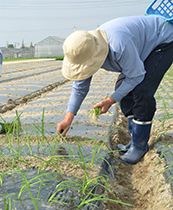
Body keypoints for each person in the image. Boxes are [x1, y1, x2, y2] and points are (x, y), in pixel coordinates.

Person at [56, 15, 173, 164]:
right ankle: (134, 139)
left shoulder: (119, 45)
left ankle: (140, 145)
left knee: (142, 90)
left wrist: (111, 100)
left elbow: (136, 76)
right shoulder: (85, 49)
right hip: (140, 46)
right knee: (122, 90)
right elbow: (80, 87)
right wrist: (68, 119)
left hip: (163, 40)